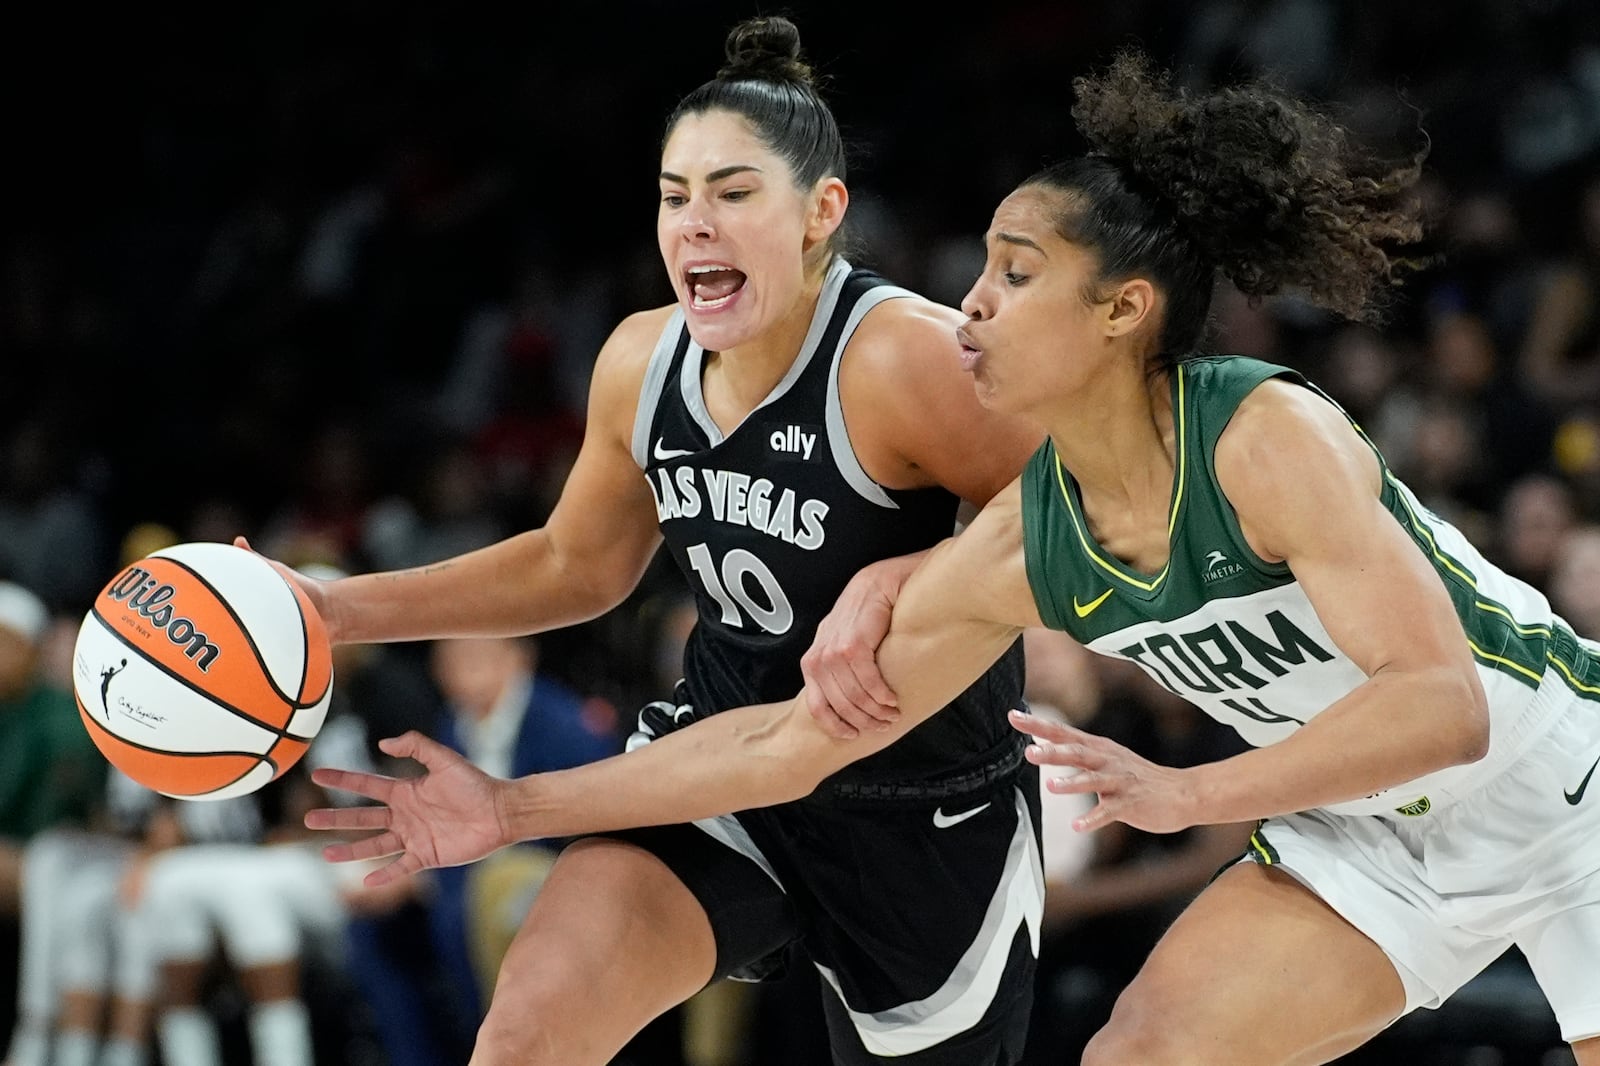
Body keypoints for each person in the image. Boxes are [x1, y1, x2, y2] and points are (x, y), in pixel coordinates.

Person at [306, 51, 1600, 1065]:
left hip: (1562, 789)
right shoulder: (1023, 533)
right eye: (672, 194)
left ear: (1118, 313)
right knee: (1142, 1052)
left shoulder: (1258, 434)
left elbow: (1444, 706)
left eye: (1013, 274)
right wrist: (507, 806)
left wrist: (1195, 792)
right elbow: (782, 736)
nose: (968, 300)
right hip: (1355, 835)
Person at [259, 15, 1046, 1066]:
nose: (694, 225)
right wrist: (334, 610)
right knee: (527, 1035)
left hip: (921, 800)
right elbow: (574, 564)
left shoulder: (904, 357)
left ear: (822, 213)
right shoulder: (641, 360)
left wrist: (912, 569)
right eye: (675, 196)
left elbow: (1072, 511)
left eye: (731, 193)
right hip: (717, 766)